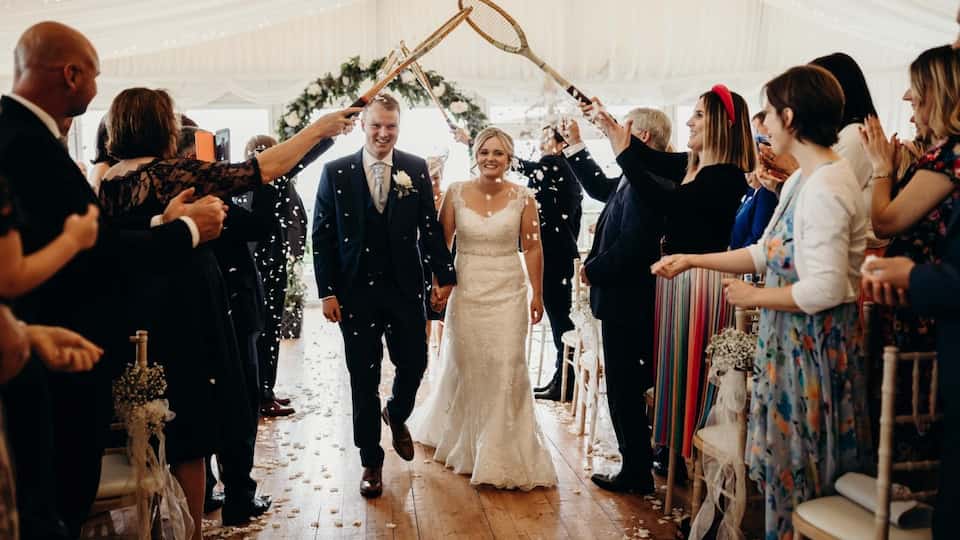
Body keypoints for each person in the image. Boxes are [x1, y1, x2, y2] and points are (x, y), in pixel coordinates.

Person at [0, 22, 233, 537]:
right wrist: (187, 228)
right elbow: (79, 254)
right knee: (61, 490)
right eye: (95, 74)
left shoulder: (96, 172)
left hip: (92, 328)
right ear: (71, 73)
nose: (97, 86)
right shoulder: (25, 144)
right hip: (69, 348)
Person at [98, 87, 357, 534]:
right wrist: (320, 128)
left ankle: (158, 525)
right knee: (191, 435)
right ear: (160, 126)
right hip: (185, 312)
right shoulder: (170, 174)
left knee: (152, 424)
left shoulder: (106, 181)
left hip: (135, 315)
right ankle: (192, 530)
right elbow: (260, 169)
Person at [653, 65, 869, 539]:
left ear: (789, 117)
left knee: (804, 476)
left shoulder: (829, 186)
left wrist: (755, 295)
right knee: (779, 478)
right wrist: (692, 259)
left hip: (812, 354)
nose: (762, 123)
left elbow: (827, 289)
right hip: (786, 345)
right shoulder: (800, 181)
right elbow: (762, 251)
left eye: (768, 113)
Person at [590, 85, 755, 475]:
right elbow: (650, 158)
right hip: (679, 285)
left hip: (699, 287)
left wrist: (622, 150)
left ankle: (672, 462)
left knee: (686, 380)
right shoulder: (692, 165)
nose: (689, 121)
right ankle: (670, 458)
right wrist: (612, 127)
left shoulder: (726, 177)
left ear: (720, 124)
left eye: (698, 115)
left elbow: (663, 200)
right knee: (672, 377)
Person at [312, 93, 456, 498]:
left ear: (398, 127)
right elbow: (321, 237)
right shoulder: (335, 172)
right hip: (355, 292)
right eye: (376, 125)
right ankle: (371, 461)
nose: (383, 133)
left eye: (390, 126)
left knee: (414, 363)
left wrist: (444, 276)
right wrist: (327, 292)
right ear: (363, 126)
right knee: (363, 376)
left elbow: (428, 229)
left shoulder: (413, 168)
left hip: (404, 288)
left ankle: (396, 411)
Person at [408, 127, 557, 489]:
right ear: (475, 155)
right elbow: (441, 245)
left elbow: (533, 248)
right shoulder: (456, 193)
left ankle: (504, 449)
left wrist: (537, 294)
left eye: (499, 153)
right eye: (485, 152)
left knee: (508, 364)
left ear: (509, 159)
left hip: (508, 289)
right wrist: (439, 287)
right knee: (470, 365)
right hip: (468, 289)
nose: (491, 158)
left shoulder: (524, 197)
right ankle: (468, 443)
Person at [560, 108, 670, 493]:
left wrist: (594, 270)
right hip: (622, 299)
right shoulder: (634, 176)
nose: (615, 134)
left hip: (629, 299)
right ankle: (635, 463)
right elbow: (600, 189)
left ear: (640, 137)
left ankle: (636, 470)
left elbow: (634, 246)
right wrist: (575, 145)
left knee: (625, 388)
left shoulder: (648, 180)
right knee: (622, 387)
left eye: (622, 128)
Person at [861, 45, 960, 353]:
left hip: (927, 307)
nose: (907, 97)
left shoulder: (947, 158)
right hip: (918, 299)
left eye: (916, 88)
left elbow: (885, 222)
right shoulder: (941, 155)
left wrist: (881, 169)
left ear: (939, 94)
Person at [514, 124, 583, 401]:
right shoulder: (569, 170)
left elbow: (523, 167)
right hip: (563, 251)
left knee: (560, 319)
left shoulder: (552, 163)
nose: (540, 142)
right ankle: (562, 378)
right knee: (559, 317)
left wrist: (472, 139)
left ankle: (566, 382)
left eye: (546, 137)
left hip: (553, 253)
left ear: (560, 144)